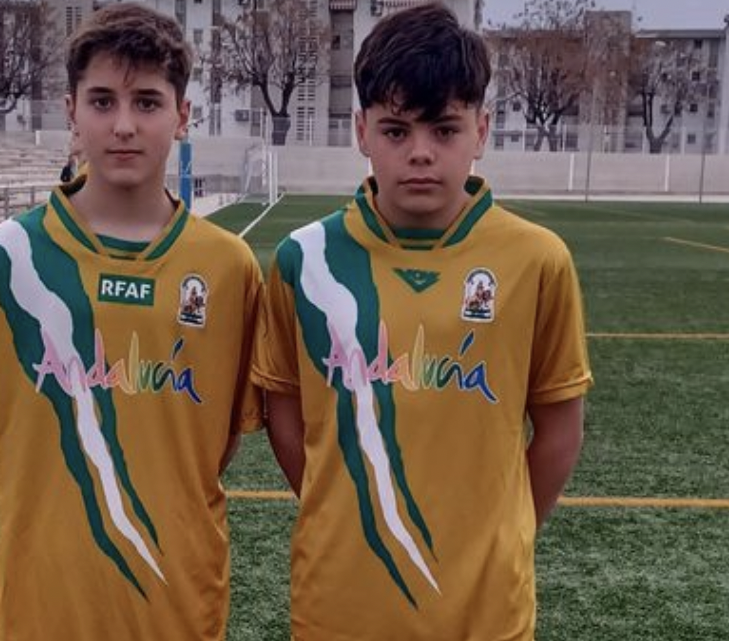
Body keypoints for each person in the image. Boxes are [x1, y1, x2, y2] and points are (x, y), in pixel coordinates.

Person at [252, 4, 593, 640]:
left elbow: (558, 430)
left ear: (482, 129)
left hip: (484, 608)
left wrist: (505, 527)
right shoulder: (305, 258)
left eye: (443, 130)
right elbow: (285, 414)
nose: (420, 154)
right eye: (396, 130)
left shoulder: (536, 259)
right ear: (360, 130)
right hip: (340, 604)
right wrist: (343, 510)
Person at [0, 4, 262, 640]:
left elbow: (219, 442)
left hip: (177, 598)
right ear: (71, 109)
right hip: (42, 602)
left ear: (183, 115)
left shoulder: (230, 268)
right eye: (102, 101)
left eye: (147, 103)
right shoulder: (9, 255)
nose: (123, 125)